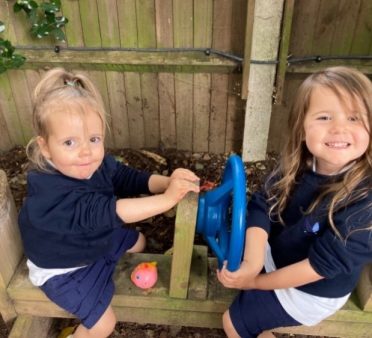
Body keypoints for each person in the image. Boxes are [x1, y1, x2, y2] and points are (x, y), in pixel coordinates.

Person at [18, 68, 200, 338]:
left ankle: (108, 266)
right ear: (45, 148)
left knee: (138, 242)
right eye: (69, 142)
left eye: (94, 139)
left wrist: (166, 182)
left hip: (90, 240)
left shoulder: (92, 162)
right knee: (104, 325)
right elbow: (107, 212)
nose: (85, 152)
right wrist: (167, 199)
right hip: (64, 268)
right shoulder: (51, 193)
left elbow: (125, 177)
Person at [217, 66, 372, 337]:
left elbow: (318, 267)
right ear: (301, 128)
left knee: (233, 323)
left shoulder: (366, 205)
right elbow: (262, 203)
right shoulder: (298, 164)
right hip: (279, 253)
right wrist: (253, 262)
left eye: (354, 118)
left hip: (311, 290)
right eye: (324, 117)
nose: (338, 128)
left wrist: (256, 281)